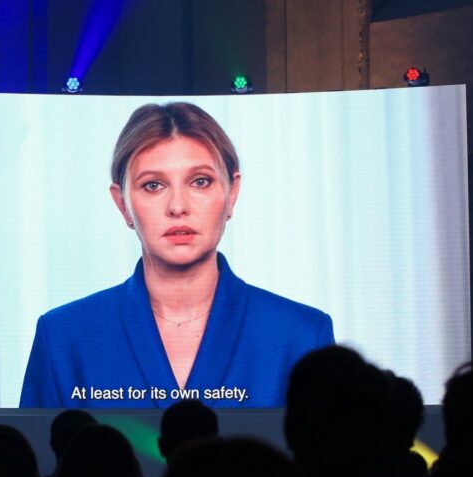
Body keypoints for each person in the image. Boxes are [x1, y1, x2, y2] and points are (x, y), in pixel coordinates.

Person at [19, 102, 334, 409]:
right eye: (153, 185)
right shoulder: (63, 338)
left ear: (232, 193)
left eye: (200, 181)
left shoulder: (302, 336)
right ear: (122, 203)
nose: (178, 206)